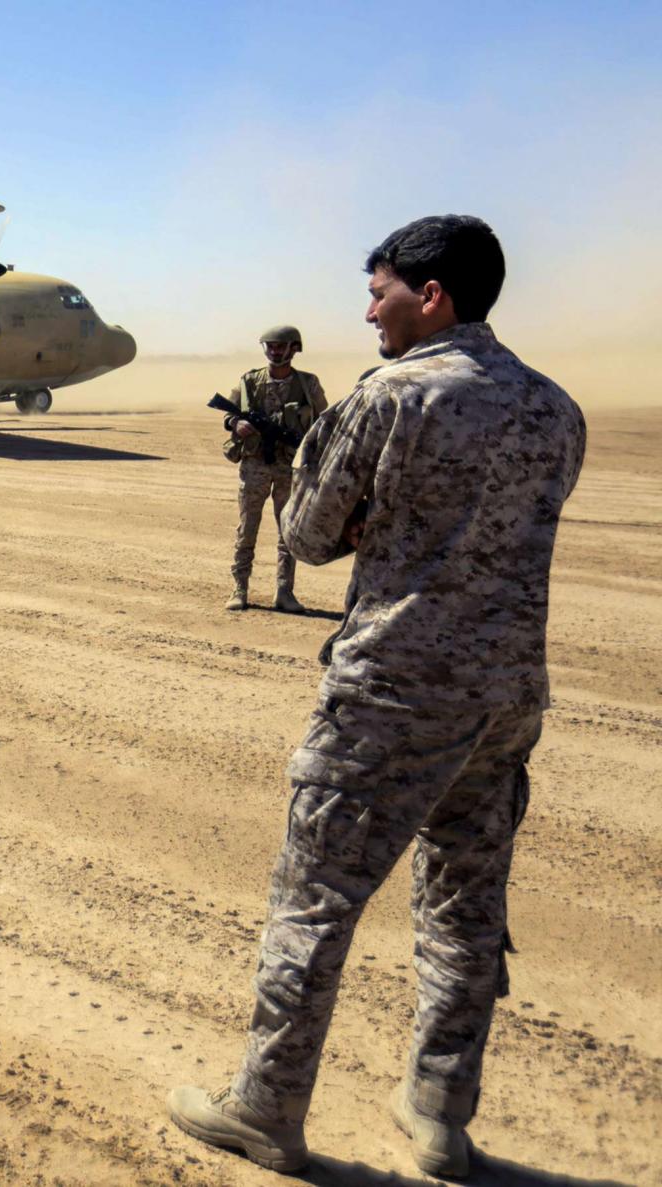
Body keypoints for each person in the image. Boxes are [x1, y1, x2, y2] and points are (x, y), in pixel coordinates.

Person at [169, 216, 586, 1178]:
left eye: (379, 292)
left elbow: (311, 537)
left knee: (314, 903)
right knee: (466, 908)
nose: (369, 313)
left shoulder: (390, 396)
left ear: (430, 295)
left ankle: (265, 1107)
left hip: (391, 691)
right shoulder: (556, 407)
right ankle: (440, 1116)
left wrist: (368, 519)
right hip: (505, 695)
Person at [220, 327, 326, 612]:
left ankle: (284, 592)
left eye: (281, 346)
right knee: (247, 530)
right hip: (254, 464)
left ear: (294, 348)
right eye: (271, 346)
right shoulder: (250, 381)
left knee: (287, 532)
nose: (275, 351)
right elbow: (229, 413)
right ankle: (239, 588)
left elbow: (323, 422)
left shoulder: (308, 384)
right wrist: (236, 424)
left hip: (289, 468)